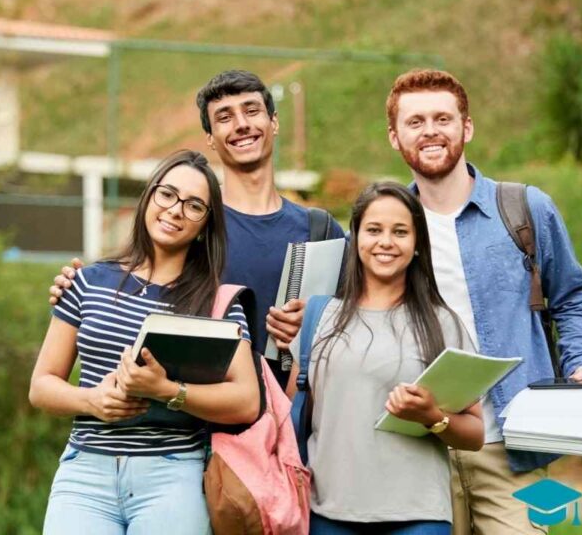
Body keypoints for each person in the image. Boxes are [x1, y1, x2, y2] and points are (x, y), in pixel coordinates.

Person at [384, 68, 582, 535]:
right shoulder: (383, 227)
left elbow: (576, 296)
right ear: (394, 137)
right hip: (415, 453)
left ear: (467, 127)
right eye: (415, 121)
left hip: (508, 449)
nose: (430, 131)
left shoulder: (524, 209)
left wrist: (579, 363)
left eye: (443, 118)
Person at [49, 70, 345, 389]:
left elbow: (362, 316)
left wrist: (317, 321)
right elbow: (134, 286)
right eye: (224, 117)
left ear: (274, 121)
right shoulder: (191, 224)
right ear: (210, 138)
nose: (241, 124)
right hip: (199, 424)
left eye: (251, 110)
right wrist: (80, 287)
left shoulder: (320, 229)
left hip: (294, 422)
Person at [29, 150, 260, 534]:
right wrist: (92, 401)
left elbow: (247, 402)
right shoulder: (88, 281)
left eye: (193, 205)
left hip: (172, 477)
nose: (175, 210)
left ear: (205, 224)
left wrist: (167, 390)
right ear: (149, 197)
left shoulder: (216, 302)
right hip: (85, 473)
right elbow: (41, 386)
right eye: (167, 194)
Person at [288, 181, 484, 535]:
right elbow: (293, 418)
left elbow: (474, 434)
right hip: (327, 512)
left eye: (400, 232)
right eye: (374, 230)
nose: (386, 242)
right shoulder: (319, 317)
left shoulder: (441, 324)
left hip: (418, 516)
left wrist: (433, 417)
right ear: (356, 237)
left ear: (417, 244)